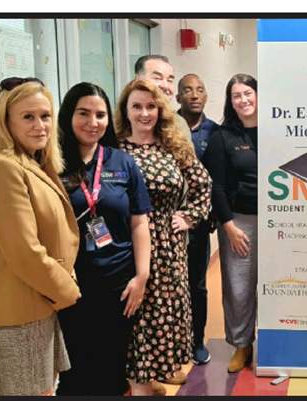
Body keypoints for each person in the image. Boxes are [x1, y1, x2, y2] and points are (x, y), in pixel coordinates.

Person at [0, 77, 81, 395]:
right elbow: (24, 251)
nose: (40, 126)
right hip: (19, 312)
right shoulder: (0, 167)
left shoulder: (28, 161)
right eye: (28, 117)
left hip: (37, 302)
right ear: (5, 120)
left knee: (46, 389)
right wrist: (67, 289)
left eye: (45, 116)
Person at [115, 79, 212, 395]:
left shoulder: (174, 145)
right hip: (127, 246)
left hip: (169, 250)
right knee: (135, 315)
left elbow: (203, 186)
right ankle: (137, 382)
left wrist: (188, 216)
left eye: (150, 106)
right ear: (125, 111)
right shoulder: (113, 149)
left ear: (160, 110)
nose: (144, 113)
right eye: (137, 106)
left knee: (164, 317)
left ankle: (154, 377)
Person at [55, 83, 152, 395]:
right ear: (68, 115)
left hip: (118, 283)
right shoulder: (51, 163)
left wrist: (142, 275)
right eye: (83, 113)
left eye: (100, 115)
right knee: (75, 371)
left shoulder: (121, 162)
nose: (92, 122)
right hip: (71, 283)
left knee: (112, 368)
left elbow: (139, 222)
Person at [203, 74, 260, 373]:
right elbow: (217, 187)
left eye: (248, 92)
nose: (243, 99)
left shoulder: (281, 132)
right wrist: (228, 226)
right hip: (239, 223)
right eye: (236, 95)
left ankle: (276, 337)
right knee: (239, 285)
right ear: (230, 101)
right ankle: (242, 344)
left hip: (282, 219)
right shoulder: (222, 137)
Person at [176, 73, 219, 365]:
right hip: (168, 221)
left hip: (200, 222)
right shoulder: (166, 127)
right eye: (187, 90)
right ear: (177, 97)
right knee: (170, 285)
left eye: (200, 90)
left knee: (197, 283)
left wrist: (212, 212)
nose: (194, 94)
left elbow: (216, 177)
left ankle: (197, 340)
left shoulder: (215, 132)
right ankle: (174, 342)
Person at [134, 55, 193, 147]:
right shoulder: (119, 123)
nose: (165, 86)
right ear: (137, 80)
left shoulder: (178, 123)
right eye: (157, 78)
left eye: (170, 80)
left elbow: (189, 160)